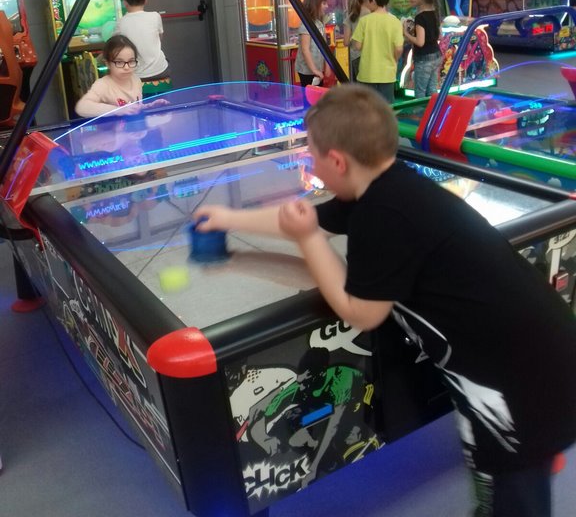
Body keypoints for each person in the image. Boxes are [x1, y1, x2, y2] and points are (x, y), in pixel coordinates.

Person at [194, 84, 576, 517]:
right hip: (511, 360)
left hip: (523, 375)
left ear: (337, 161)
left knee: (514, 487)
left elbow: (362, 312)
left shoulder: (381, 216)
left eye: (311, 155)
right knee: (494, 469)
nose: (310, 165)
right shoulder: (383, 187)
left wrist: (308, 240)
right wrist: (228, 220)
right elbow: (300, 219)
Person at [351, 0, 403, 104]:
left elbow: (357, 46)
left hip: (367, 74)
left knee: (367, 108)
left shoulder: (364, 21)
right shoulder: (395, 22)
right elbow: (399, 49)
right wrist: (394, 59)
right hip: (387, 74)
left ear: (373, 0)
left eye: (368, 1)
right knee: (386, 108)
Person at [75, 34, 144, 118]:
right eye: (119, 62)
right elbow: (82, 107)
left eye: (131, 61)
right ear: (107, 64)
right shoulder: (103, 85)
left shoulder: (135, 79)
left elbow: (135, 108)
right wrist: (117, 110)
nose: (127, 67)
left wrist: (148, 106)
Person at [115, 0, 170, 84]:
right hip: (161, 70)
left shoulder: (121, 23)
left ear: (125, 3)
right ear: (145, 0)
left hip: (137, 75)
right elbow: (160, 38)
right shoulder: (155, 16)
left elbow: (115, 46)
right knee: (165, 61)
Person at [403, 0, 442, 98]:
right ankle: (434, 110)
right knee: (432, 90)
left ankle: (422, 111)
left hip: (424, 59)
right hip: (436, 55)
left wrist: (405, 33)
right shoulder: (435, 12)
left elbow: (420, 42)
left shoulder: (420, 17)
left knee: (420, 93)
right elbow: (439, 35)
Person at [294, 0, 329, 87]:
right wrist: (314, 70)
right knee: (310, 95)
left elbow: (324, 46)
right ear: (315, 4)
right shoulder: (306, 24)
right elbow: (305, 49)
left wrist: (327, 64)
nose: (327, 6)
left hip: (317, 68)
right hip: (307, 70)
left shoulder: (319, 23)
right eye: (324, 3)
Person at [342, 0, 369, 81]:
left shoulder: (350, 17)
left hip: (355, 57)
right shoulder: (371, 15)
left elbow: (346, 42)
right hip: (369, 56)